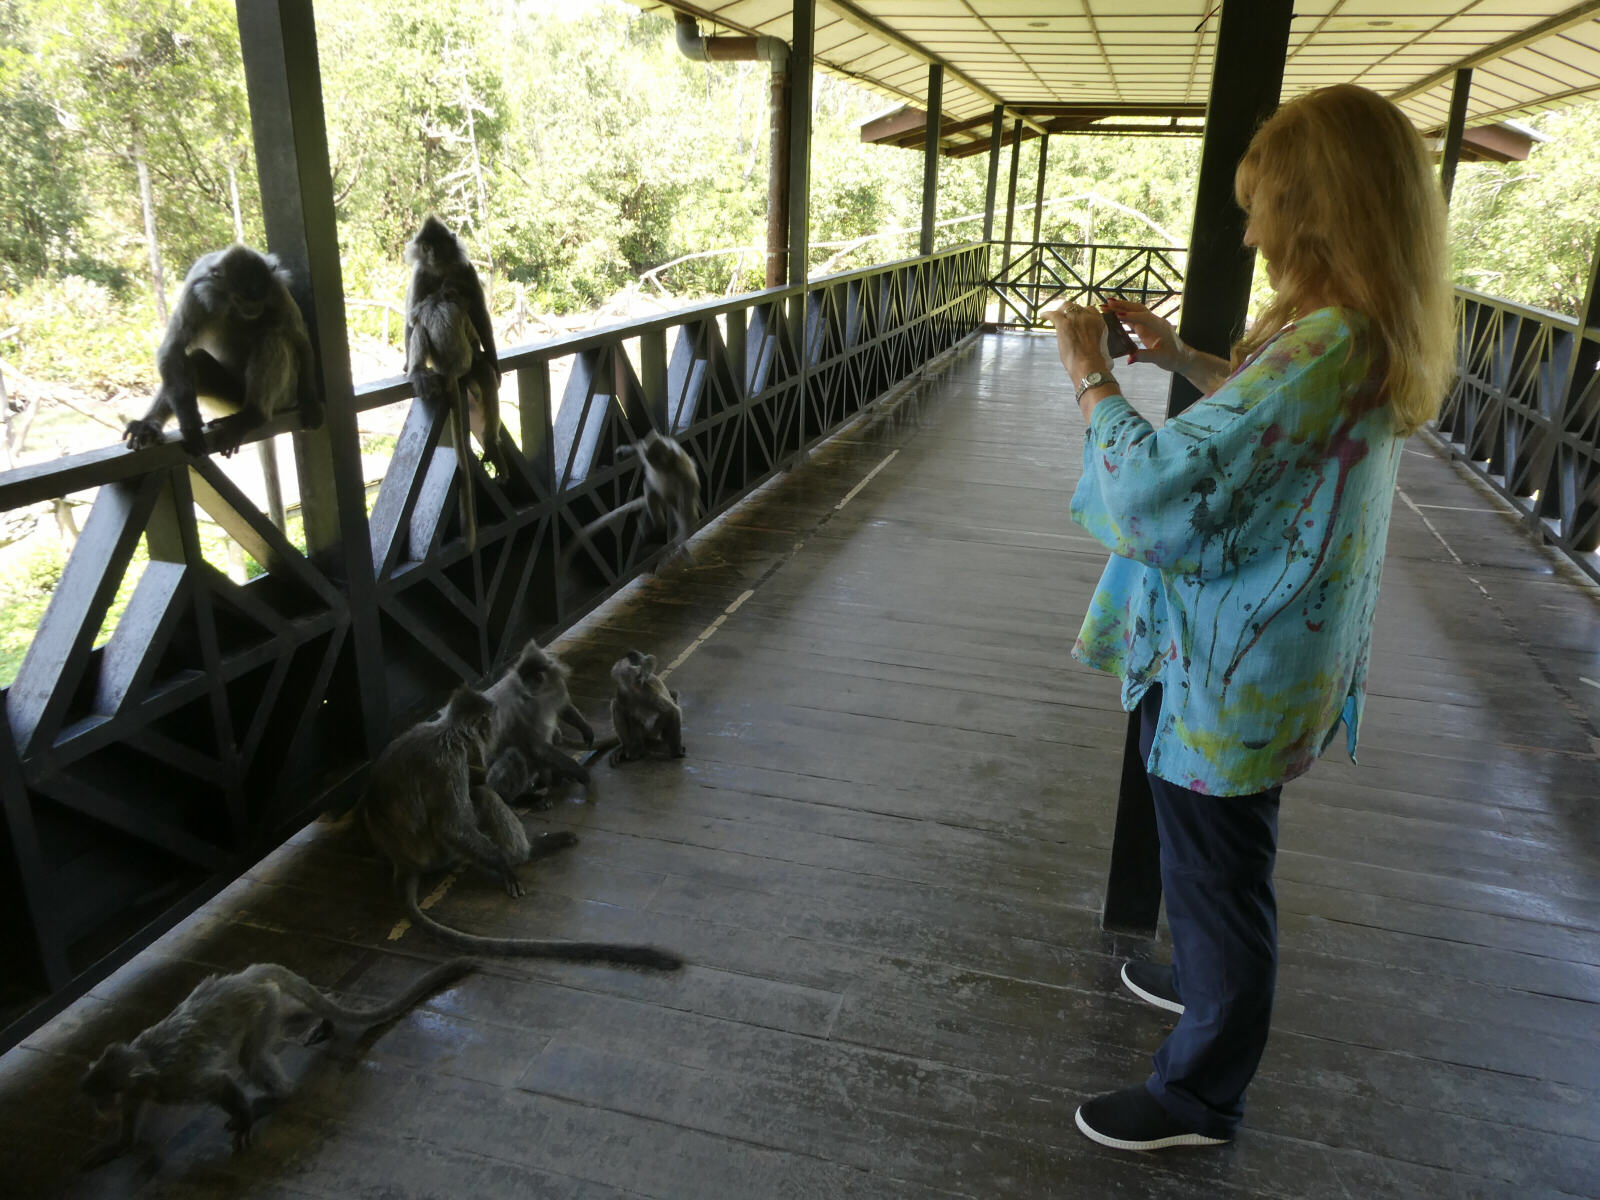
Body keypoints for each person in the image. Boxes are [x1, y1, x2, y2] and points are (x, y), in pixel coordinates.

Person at [1047, 83, 1452, 1151]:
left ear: (1315, 208)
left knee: (1221, 867)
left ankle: (1198, 1095)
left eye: (1262, 204)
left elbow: (1156, 494)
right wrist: (1179, 357)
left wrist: (1091, 380)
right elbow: (1272, 422)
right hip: (1270, 649)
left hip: (1235, 659)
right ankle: (1203, 979)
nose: (1251, 228)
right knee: (1215, 853)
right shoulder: (1352, 335)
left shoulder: (1328, 339)